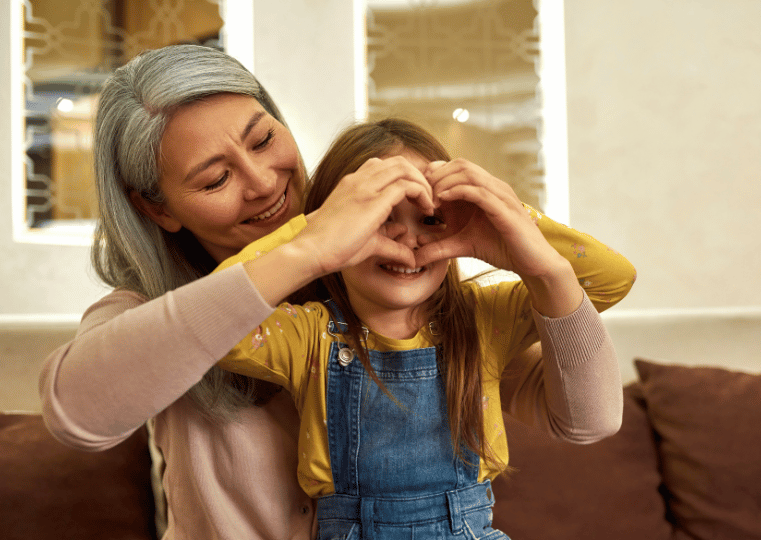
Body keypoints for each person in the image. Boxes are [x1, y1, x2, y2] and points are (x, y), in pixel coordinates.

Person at [37, 45, 628, 540]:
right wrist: (306, 248)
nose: (263, 182)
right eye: (216, 178)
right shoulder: (153, 313)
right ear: (157, 209)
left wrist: (517, 230)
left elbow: (588, 419)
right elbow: (78, 413)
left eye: (264, 139)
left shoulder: (409, 297)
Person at [213, 118, 636, 539]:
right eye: (378, 217)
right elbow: (212, 320)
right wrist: (313, 234)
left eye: (431, 219)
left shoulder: (484, 320)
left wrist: (515, 223)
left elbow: (612, 278)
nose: (407, 238)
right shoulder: (308, 335)